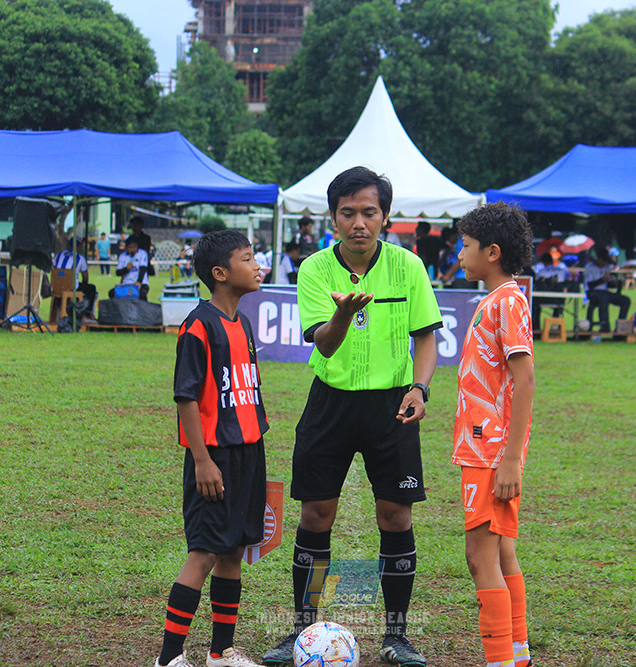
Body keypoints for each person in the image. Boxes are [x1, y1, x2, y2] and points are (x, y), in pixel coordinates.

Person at [262, 167, 441, 667]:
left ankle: (397, 636)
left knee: (395, 515)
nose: (358, 222)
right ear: (333, 217)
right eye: (348, 213)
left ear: (385, 216)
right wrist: (343, 312)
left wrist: (420, 388)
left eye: (368, 212)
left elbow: (426, 337)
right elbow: (324, 339)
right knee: (316, 515)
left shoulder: (408, 267)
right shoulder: (316, 270)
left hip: (392, 405)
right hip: (331, 404)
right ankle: (302, 629)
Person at [155, 230, 268, 667]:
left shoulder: (242, 322)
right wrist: (202, 460)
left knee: (233, 550)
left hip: (247, 452)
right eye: (247, 258)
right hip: (213, 457)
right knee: (202, 553)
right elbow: (185, 396)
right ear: (221, 273)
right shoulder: (198, 325)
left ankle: (221, 652)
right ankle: (168, 658)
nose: (257, 265)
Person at [453, 201, 535, 667]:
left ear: (493, 251)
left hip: (489, 452)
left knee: (479, 557)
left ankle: (501, 659)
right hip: (485, 448)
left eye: (466, 246)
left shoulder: (507, 300)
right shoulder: (497, 299)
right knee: (502, 553)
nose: (460, 254)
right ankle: (516, 654)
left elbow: (524, 381)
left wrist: (509, 459)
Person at [583, 246, 630, 333]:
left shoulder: (607, 267)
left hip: (604, 292)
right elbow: (590, 284)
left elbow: (609, 284)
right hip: (593, 292)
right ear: (598, 259)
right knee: (604, 298)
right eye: (603, 261)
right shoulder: (589, 268)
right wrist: (602, 279)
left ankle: (620, 326)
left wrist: (617, 283)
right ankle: (605, 325)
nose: (604, 263)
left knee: (626, 300)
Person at [53, 242, 98, 322]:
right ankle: (88, 312)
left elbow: (53, 270)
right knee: (91, 288)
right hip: (72, 287)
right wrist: (84, 284)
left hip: (57, 287)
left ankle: (55, 314)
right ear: (78, 247)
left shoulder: (58, 255)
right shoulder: (80, 258)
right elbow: (85, 277)